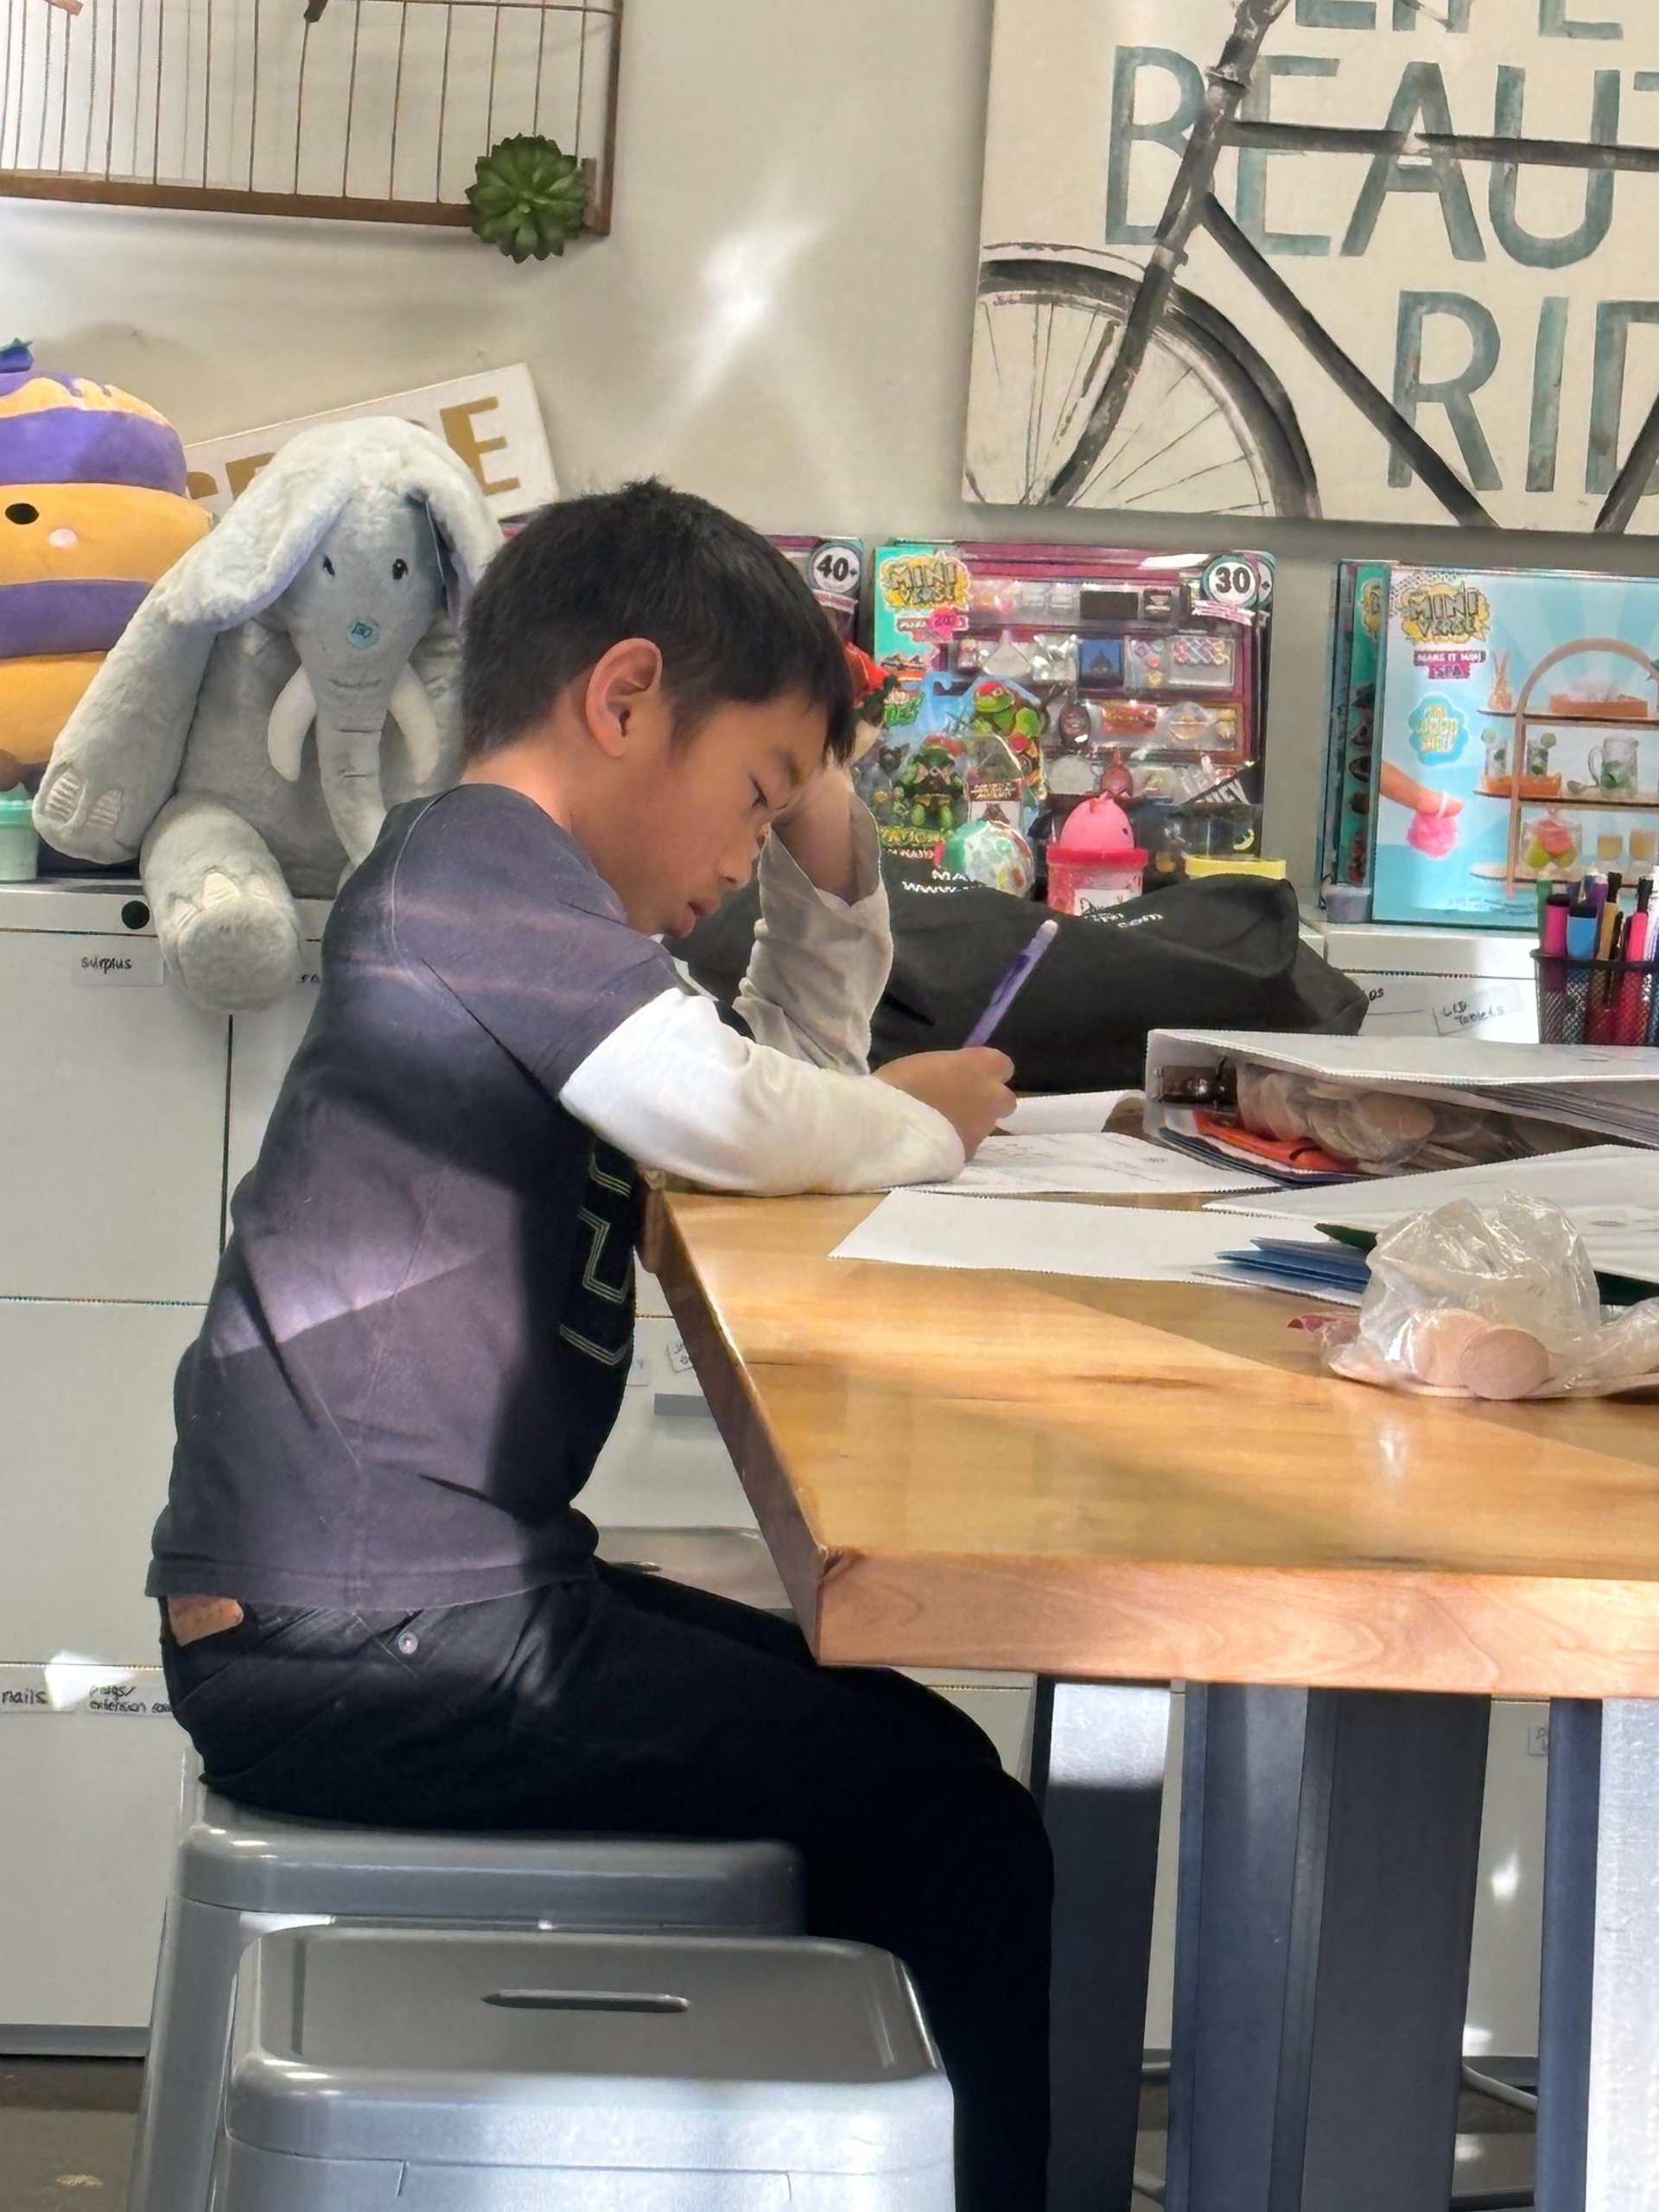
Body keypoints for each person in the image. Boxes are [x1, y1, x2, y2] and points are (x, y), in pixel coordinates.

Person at [149, 481, 1052, 2212]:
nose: (744, 855)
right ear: (625, 699)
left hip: (418, 1594)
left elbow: (779, 1069)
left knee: (891, 1731)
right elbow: (739, 1108)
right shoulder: (479, 871)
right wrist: (916, 1122)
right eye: (752, 799)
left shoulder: (547, 930)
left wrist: (827, 817)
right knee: (949, 1808)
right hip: (363, 1624)